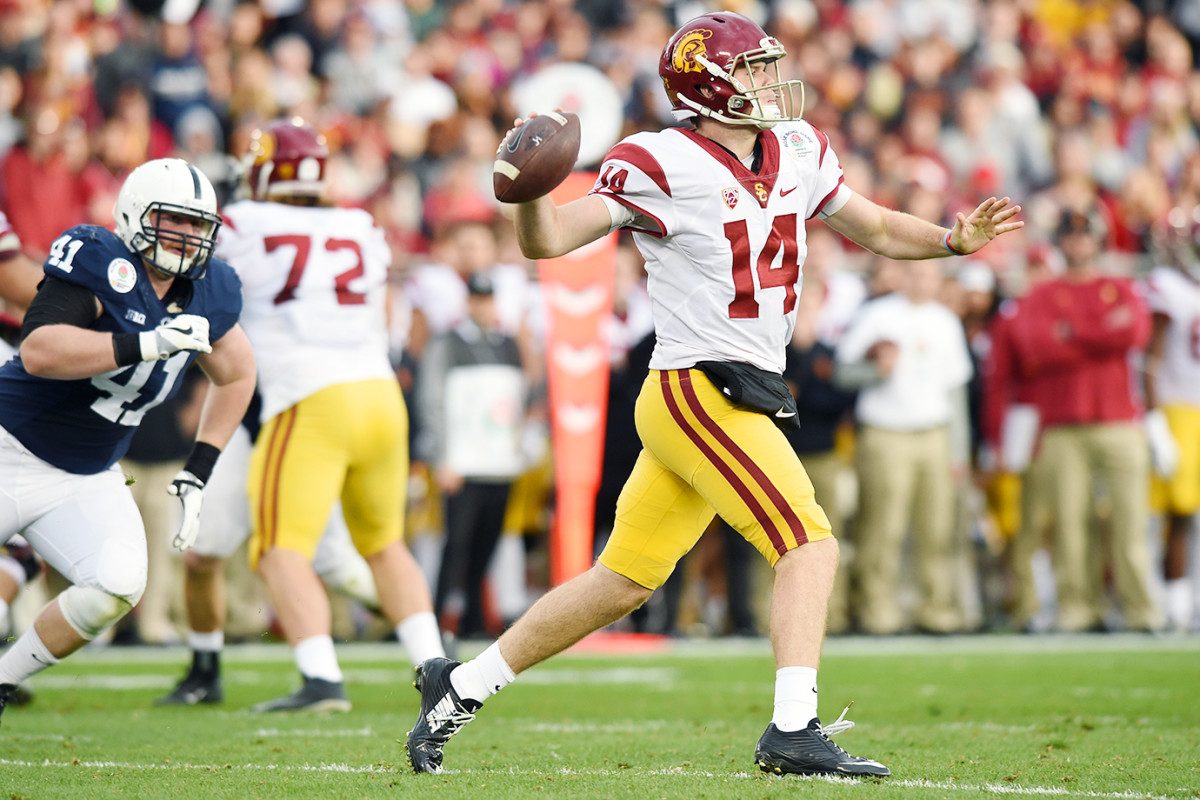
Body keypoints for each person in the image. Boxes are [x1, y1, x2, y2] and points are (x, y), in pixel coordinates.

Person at [405, 11, 1021, 777]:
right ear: (708, 84)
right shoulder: (659, 159)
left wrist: (951, 241)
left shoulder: (799, 146)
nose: (770, 79)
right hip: (698, 386)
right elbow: (551, 239)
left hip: (738, 386)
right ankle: (792, 728)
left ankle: (459, 686)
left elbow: (880, 229)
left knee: (622, 581)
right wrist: (528, 191)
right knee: (809, 544)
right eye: (753, 68)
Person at [0, 157, 257, 723]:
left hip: (87, 474)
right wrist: (145, 343)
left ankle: (3, 680)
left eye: (197, 224)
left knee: (115, 586)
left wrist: (199, 467)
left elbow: (238, 373)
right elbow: (39, 350)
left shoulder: (209, 289)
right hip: (10, 445)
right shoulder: (100, 258)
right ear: (136, 215)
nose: (186, 235)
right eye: (173, 220)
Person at [220, 118, 444, 712]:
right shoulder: (359, 225)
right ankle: (435, 669)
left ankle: (320, 678)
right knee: (385, 544)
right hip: (379, 393)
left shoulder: (241, 223)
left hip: (310, 397)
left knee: (279, 547)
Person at [154, 392, 387, 707]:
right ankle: (205, 670)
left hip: (306, 431)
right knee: (200, 554)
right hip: (248, 428)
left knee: (316, 561)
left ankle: (418, 642)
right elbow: (232, 373)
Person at [1010, 207, 1160, 633]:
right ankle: (1077, 608)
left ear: (1098, 240)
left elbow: (1134, 334)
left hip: (1119, 419)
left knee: (1131, 521)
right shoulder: (1042, 295)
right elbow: (1038, 348)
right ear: (1061, 241)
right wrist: (1101, 333)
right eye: (1071, 235)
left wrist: (1073, 331)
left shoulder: (1121, 287)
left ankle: (1140, 610)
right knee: (1070, 524)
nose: (1078, 242)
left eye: (1085, 234)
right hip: (1062, 423)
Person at [834, 259, 975, 635]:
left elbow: (955, 391)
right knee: (884, 527)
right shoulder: (877, 315)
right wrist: (876, 371)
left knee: (937, 528)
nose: (922, 281)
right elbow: (842, 371)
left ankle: (936, 609)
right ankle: (879, 611)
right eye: (916, 273)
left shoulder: (946, 320)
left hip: (934, 432)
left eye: (929, 275)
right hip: (886, 431)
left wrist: (958, 452)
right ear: (903, 275)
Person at [416, 271, 528, 640]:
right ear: (467, 302)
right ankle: (436, 619)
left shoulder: (506, 343)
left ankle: (473, 621)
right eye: (478, 299)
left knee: (487, 545)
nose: (484, 306)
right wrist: (442, 457)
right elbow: (431, 400)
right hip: (462, 463)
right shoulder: (447, 342)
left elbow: (516, 398)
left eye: (489, 298)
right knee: (457, 545)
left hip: (498, 463)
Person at [1141, 205, 1200, 632]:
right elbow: (1151, 359)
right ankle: (1172, 601)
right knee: (1175, 512)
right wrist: (1154, 419)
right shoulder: (1167, 286)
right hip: (1178, 409)